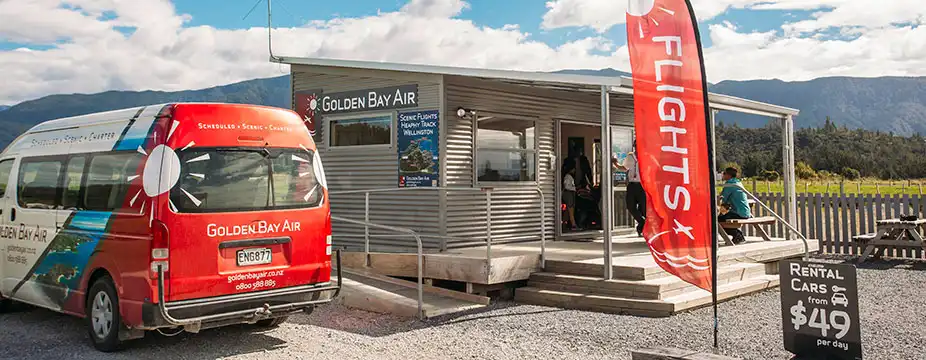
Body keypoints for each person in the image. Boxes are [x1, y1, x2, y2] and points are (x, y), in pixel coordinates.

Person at [613, 141, 645, 237]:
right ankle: (642, 222)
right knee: (630, 206)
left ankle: (641, 227)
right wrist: (615, 164)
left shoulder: (646, 157)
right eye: (636, 146)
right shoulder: (630, 157)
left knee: (643, 208)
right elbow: (624, 168)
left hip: (642, 185)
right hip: (632, 184)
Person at [718, 167, 752, 244]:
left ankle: (737, 235)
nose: (723, 175)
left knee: (715, 220)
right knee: (721, 218)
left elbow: (722, 199)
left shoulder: (729, 185)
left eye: (724, 173)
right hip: (745, 212)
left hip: (738, 213)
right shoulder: (738, 182)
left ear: (729, 175)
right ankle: (738, 235)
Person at [563, 165, 579, 231]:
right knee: (570, 209)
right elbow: (566, 186)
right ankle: (573, 225)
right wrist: (574, 188)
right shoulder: (567, 177)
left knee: (568, 210)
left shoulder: (569, 177)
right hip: (568, 193)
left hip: (570, 193)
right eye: (574, 169)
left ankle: (564, 224)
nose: (574, 171)